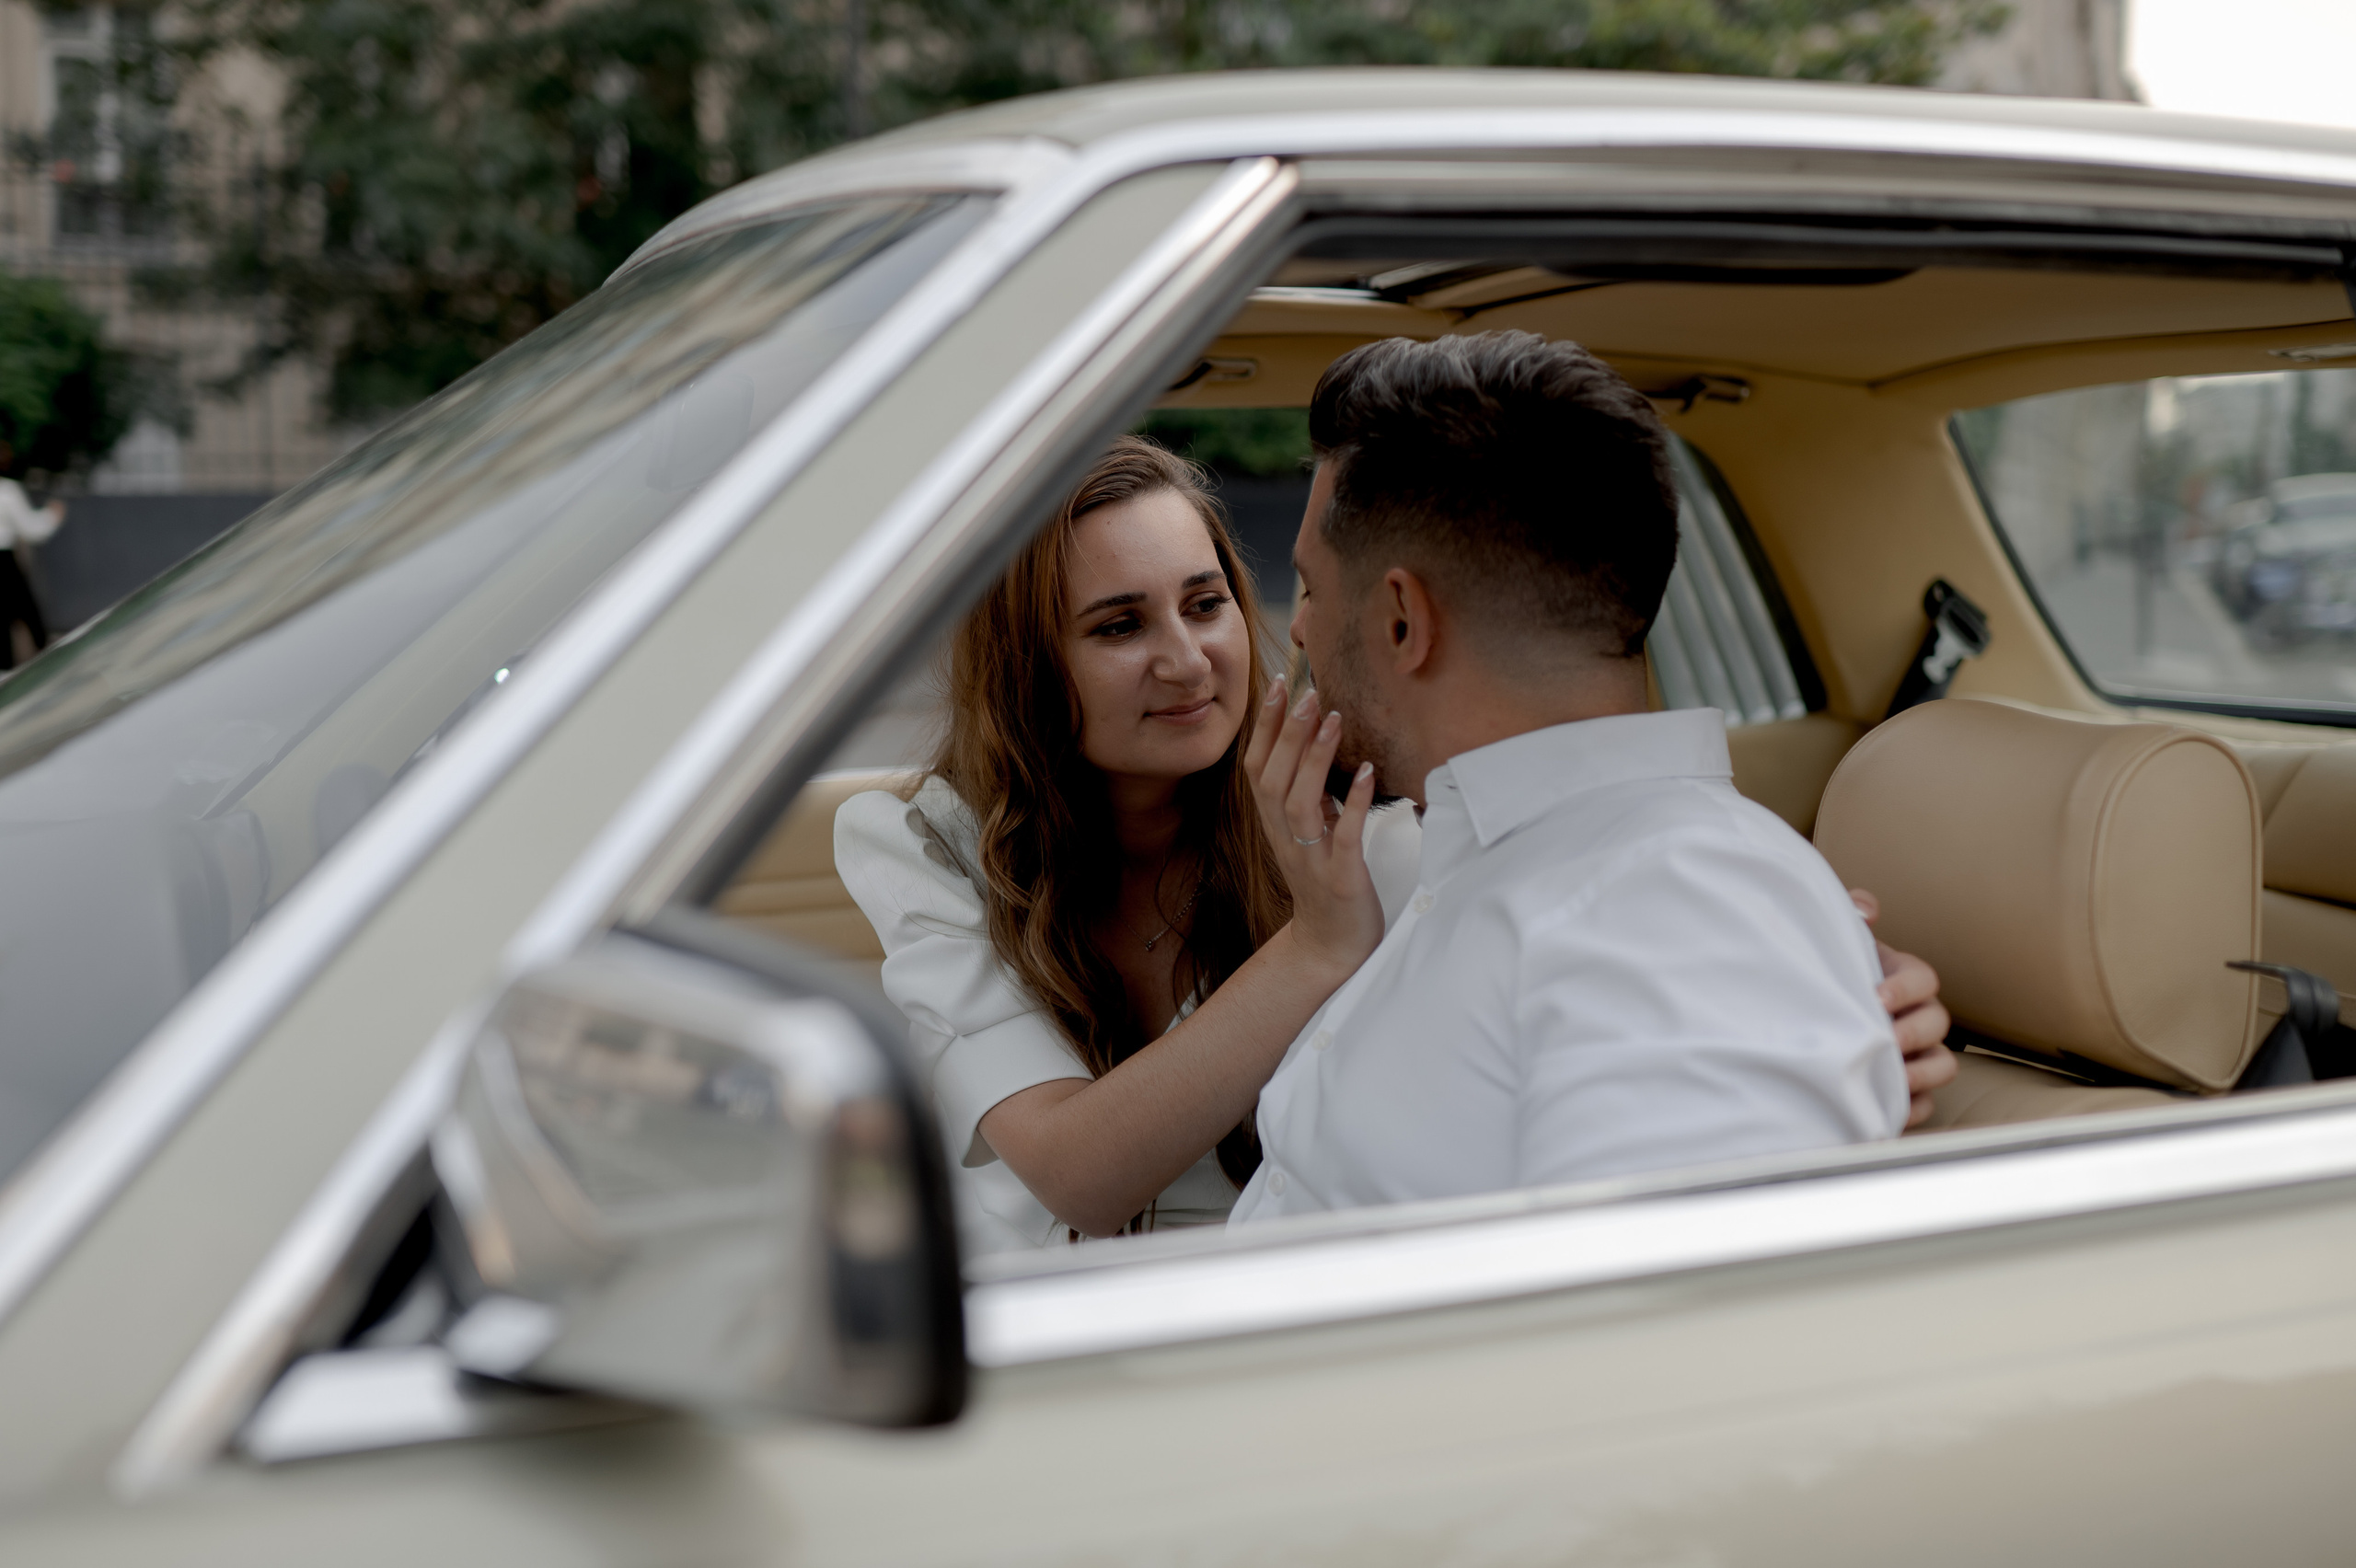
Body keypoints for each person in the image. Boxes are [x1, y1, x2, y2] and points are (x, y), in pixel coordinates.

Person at [837, 430, 1952, 1255]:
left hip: (1265, 1299)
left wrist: (1849, 991)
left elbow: (1649, 914)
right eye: (1120, 626)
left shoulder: (1374, 814)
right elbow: (1077, 1176)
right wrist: (1318, 949)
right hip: (1020, 1314)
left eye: (1208, 602)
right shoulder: (923, 844)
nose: (1187, 660)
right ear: (1029, 668)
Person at [1231, 329, 1917, 1222]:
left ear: (1402, 620)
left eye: (1310, 590)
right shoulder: (1473, 855)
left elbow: (1664, 1341)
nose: (1298, 633)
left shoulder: (1680, 915)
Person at [0, 451, 62, 670]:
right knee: (27, 612)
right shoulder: (6, 491)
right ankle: (50, 665)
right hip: (4, 563)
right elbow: (31, 529)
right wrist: (52, 516)